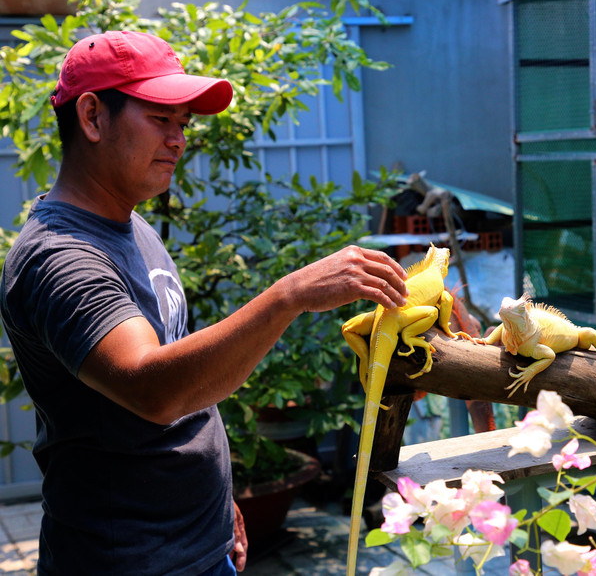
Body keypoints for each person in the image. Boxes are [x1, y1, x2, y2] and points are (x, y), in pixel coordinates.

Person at [0, 30, 408, 576]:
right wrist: (288, 296)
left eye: (184, 124)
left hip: (198, 544)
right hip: (129, 562)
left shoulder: (130, 224)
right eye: (160, 119)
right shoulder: (60, 259)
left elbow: (184, 377)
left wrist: (218, 502)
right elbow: (153, 388)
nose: (178, 140)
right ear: (93, 117)